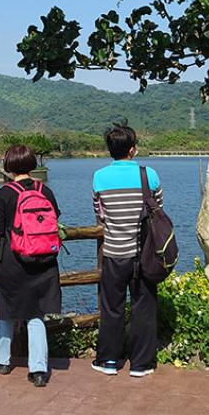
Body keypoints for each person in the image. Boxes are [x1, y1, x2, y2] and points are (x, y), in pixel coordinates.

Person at [0, 145, 61, 388]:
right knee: (36, 314)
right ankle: (38, 369)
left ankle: (1, 359)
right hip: (44, 261)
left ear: (8, 165)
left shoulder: (4, 193)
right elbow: (54, 219)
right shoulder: (44, 190)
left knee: (7, 308)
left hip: (13, 260)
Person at [91, 123, 163, 378]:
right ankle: (141, 364)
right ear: (132, 149)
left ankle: (108, 360)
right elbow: (158, 211)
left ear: (110, 149)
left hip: (114, 252)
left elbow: (99, 215)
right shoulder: (149, 175)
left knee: (112, 307)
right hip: (144, 254)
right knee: (144, 307)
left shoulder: (99, 177)